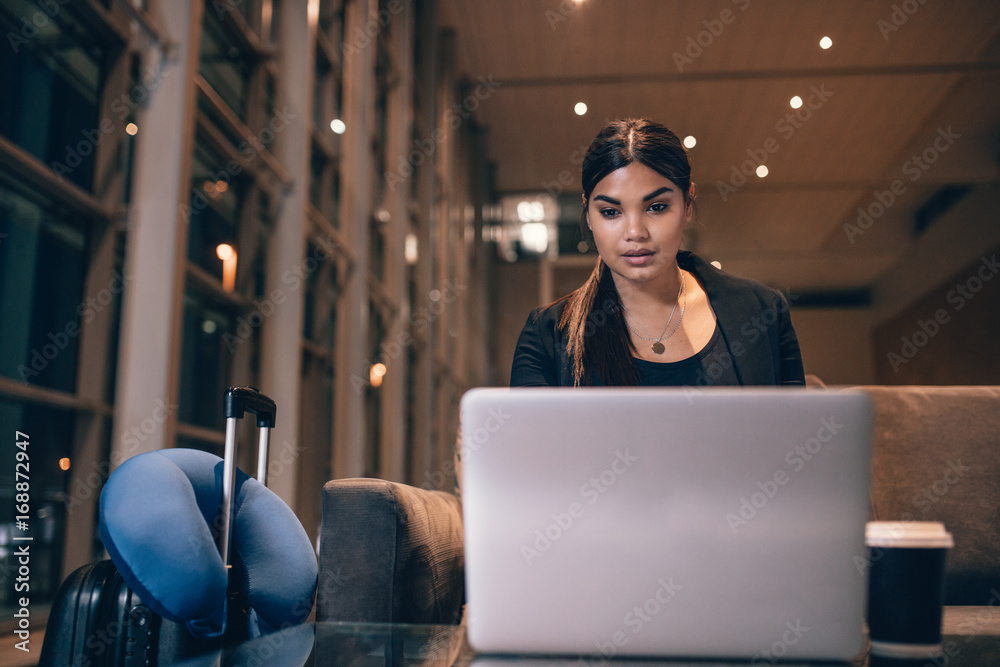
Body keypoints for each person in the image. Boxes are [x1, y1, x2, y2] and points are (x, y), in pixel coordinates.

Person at [510, 118, 805, 387]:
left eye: (656, 207)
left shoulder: (762, 312)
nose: (636, 232)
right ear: (588, 214)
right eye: (611, 212)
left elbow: (794, 437)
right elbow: (528, 444)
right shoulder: (547, 336)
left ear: (688, 204)